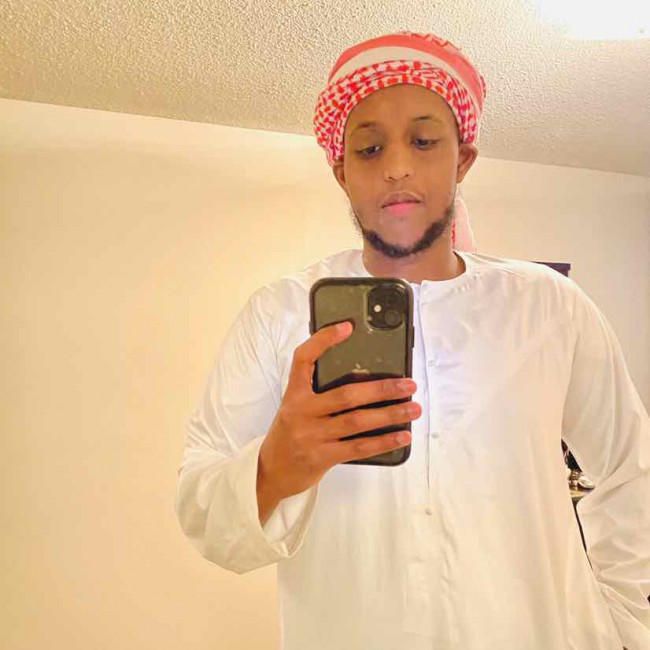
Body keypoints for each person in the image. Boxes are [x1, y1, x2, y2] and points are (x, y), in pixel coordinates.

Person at [175, 31, 650, 650]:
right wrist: (275, 468)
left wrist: (625, 623)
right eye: (369, 148)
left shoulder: (549, 306)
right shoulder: (278, 314)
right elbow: (203, 511)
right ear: (342, 172)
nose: (396, 165)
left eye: (423, 141)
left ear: (463, 160)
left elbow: (630, 468)